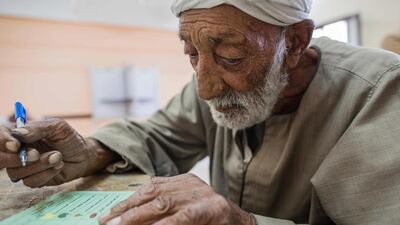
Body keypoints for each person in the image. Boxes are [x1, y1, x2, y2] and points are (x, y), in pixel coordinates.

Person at [1, 1, 399, 224]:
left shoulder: (380, 91)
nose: (205, 86)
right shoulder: (209, 86)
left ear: (294, 42)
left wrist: (244, 223)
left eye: (230, 54)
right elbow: (156, 135)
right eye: (191, 53)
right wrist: (87, 153)